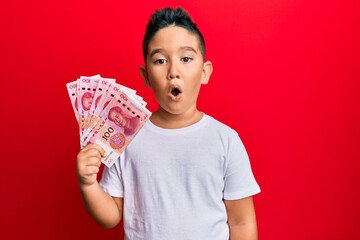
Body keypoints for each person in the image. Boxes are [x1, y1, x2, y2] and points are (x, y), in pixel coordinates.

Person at [76, 6, 260, 239]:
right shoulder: (126, 135)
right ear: (146, 76)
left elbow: (242, 222)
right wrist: (88, 183)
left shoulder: (226, 140)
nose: (173, 71)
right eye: (161, 60)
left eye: (185, 58)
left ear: (205, 72)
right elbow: (111, 215)